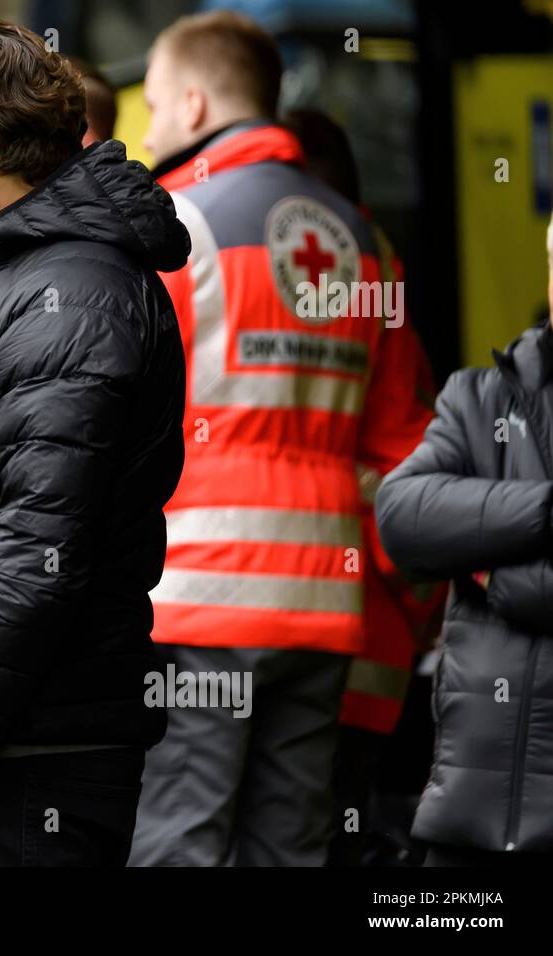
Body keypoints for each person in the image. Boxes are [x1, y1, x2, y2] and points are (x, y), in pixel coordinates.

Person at [0, 16, 189, 866]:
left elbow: (38, 553)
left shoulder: (72, 292)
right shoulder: (41, 271)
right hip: (21, 738)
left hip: (24, 755)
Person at [130, 10, 422, 866]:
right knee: (290, 847)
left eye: (151, 105)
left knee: (180, 840)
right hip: (326, 601)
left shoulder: (174, 227)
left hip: (200, 594)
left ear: (191, 102)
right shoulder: (368, 244)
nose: (148, 129)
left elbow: (127, 414)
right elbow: (401, 436)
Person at [281, 108, 446, 866]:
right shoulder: (371, 271)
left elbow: (404, 475)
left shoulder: (344, 273)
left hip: (303, 638)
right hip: (354, 636)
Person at [375, 215, 553, 866]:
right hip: (465, 825)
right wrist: (545, 510)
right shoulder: (479, 399)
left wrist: (491, 574)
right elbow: (403, 514)